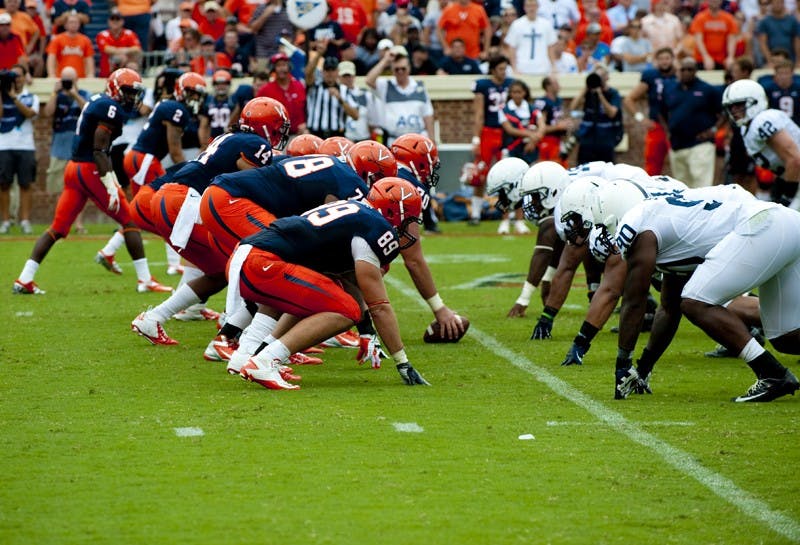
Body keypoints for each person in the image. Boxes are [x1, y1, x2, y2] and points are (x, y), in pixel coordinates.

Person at [606, 184, 799, 403]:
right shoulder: (668, 229)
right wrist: (642, 368)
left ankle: (771, 373)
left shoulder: (640, 229)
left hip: (763, 226)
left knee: (696, 302)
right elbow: (669, 309)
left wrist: (623, 363)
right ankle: (772, 374)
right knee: (787, 337)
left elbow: (634, 302)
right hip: (786, 222)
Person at [232, 178, 430, 390]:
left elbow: (349, 284)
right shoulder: (376, 228)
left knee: (325, 295)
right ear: (392, 212)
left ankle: (256, 356)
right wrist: (403, 362)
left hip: (250, 256)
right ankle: (265, 360)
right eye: (408, 217)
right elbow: (379, 305)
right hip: (265, 262)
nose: (409, 224)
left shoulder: (354, 210)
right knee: (346, 311)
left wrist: (366, 331)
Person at [129, 97, 287, 348]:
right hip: (185, 201)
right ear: (266, 125)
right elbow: (257, 183)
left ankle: (153, 317)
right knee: (244, 262)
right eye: (277, 127)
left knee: (219, 271)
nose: (279, 134)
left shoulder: (229, 138)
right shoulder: (254, 143)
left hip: (170, 199)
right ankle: (232, 334)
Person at [12, 69, 169, 295]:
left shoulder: (100, 100)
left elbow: (100, 149)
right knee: (130, 221)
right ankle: (145, 280)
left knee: (58, 228)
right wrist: (109, 184)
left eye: (135, 93)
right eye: (128, 91)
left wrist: (111, 177)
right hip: (89, 168)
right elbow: (99, 150)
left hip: (73, 168)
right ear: (115, 88)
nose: (132, 97)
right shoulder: (110, 108)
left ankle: (24, 279)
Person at [723, 79, 800, 208]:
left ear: (755, 101)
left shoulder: (763, 120)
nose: (734, 110)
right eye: (730, 107)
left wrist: (787, 197)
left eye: (739, 105)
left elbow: (795, 159)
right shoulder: (746, 128)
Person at [467, 54, 511, 228]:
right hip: (487, 131)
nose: (503, 72)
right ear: (493, 70)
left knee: (507, 174)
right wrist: (476, 137)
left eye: (505, 68)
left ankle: (507, 215)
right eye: (500, 69)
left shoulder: (511, 84)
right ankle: (476, 213)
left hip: (506, 132)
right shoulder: (483, 85)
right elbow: (478, 114)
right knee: (480, 172)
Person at [43, 67, 89, 233]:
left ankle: (79, 224)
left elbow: (88, 110)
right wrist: (55, 93)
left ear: (77, 80)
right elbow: (48, 113)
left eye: (70, 79)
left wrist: (74, 93)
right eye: (65, 80)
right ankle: (60, 223)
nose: (68, 83)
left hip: (78, 148)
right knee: (58, 188)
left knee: (80, 188)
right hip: (59, 147)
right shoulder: (57, 96)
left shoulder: (84, 93)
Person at [663, 57, 721, 188]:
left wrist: (714, 130)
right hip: (677, 144)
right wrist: (667, 130)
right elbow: (661, 112)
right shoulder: (670, 89)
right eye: (683, 69)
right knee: (681, 187)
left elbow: (724, 113)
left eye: (690, 69)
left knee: (701, 185)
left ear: (695, 71)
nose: (686, 72)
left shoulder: (708, 89)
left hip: (700, 144)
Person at [365, 46, 435, 144]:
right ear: (392, 70)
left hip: (418, 140)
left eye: (403, 68)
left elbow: (428, 115)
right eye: (397, 69)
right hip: (395, 141)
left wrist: (432, 140)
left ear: (409, 68)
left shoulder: (419, 87)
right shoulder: (386, 86)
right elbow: (369, 80)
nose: (400, 72)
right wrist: (386, 60)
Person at [623, 46, 676, 176]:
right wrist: (641, 118)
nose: (665, 61)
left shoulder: (680, 75)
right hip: (657, 126)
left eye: (667, 58)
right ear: (656, 60)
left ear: (673, 59)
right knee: (652, 165)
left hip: (677, 127)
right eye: (661, 59)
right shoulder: (651, 76)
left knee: (680, 163)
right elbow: (629, 99)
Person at [0, 62, 37, 235]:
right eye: (12, 76)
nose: (15, 79)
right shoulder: (2, 95)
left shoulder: (31, 97)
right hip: (4, 145)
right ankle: (6, 221)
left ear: (24, 78)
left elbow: (30, 113)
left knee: (25, 184)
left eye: (18, 76)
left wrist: (14, 97)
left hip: (25, 146)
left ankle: (25, 220)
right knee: (4, 184)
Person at [570, 63, 622, 164]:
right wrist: (586, 87)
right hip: (587, 139)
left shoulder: (613, 93)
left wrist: (600, 95)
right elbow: (573, 107)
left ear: (607, 77)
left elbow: (612, 113)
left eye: (601, 76)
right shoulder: (588, 92)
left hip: (606, 140)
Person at [305, 52, 359, 139]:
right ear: (322, 71)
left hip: (336, 136)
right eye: (327, 70)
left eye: (332, 70)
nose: (330, 73)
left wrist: (340, 99)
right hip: (315, 134)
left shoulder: (344, 90)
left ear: (337, 72)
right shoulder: (314, 87)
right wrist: (319, 54)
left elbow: (356, 116)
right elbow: (308, 73)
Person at [256, 52, 308, 137]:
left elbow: (307, 108)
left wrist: (306, 124)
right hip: (277, 138)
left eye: (284, 65)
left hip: (298, 135)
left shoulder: (299, 86)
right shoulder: (265, 90)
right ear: (273, 68)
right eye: (278, 66)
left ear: (289, 67)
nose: (281, 69)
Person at [504, 0, 557, 76]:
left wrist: (553, 66)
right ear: (524, 7)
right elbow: (512, 48)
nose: (531, 9)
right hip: (522, 67)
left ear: (538, 6)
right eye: (529, 6)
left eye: (533, 5)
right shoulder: (517, 24)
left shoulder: (546, 24)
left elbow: (551, 47)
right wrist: (514, 68)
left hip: (543, 68)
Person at [499, 79, 544, 165]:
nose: (516, 95)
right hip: (512, 149)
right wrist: (531, 134)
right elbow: (510, 130)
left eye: (519, 92)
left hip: (530, 150)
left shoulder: (533, 109)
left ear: (524, 93)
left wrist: (533, 141)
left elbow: (542, 126)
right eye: (514, 92)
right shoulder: (504, 110)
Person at [534, 76, 572, 167]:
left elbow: (560, 119)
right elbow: (539, 127)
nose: (559, 85)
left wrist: (566, 123)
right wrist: (558, 127)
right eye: (556, 83)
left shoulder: (559, 100)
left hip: (558, 140)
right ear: (548, 86)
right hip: (546, 140)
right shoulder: (543, 102)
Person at [689, 0, 739, 70]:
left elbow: (731, 39)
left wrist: (730, 56)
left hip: (722, 60)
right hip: (701, 59)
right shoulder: (700, 18)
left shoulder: (728, 19)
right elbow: (699, 40)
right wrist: (705, 57)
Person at [95, 9, 142, 77]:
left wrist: (121, 51)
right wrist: (125, 51)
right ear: (108, 21)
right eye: (112, 19)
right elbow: (107, 49)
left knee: (133, 64)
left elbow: (137, 48)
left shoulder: (129, 33)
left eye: (117, 19)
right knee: (120, 58)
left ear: (122, 21)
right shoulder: (102, 34)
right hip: (106, 74)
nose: (115, 21)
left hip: (125, 74)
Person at [46, 13, 94, 78]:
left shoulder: (85, 40)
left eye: (76, 22)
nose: (74, 25)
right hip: (61, 78)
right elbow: (51, 58)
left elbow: (89, 59)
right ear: (65, 25)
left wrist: (90, 74)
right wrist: (51, 74)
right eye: (71, 22)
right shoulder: (57, 39)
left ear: (79, 24)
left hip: (80, 78)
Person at [755, 0, 800, 66]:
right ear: (771, 4)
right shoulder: (765, 21)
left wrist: (798, 61)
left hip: (790, 59)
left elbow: (797, 42)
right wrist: (770, 60)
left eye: (779, 2)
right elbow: (763, 43)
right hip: (772, 58)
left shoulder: (793, 21)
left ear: (783, 3)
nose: (777, 5)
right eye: (775, 2)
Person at [202, 69, 234, 143]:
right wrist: (204, 143)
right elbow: (204, 125)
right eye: (218, 84)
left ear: (228, 84)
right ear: (214, 84)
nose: (221, 86)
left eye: (223, 84)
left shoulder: (233, 101)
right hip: (213, 140)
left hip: (230, 139)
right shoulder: (208, 101)